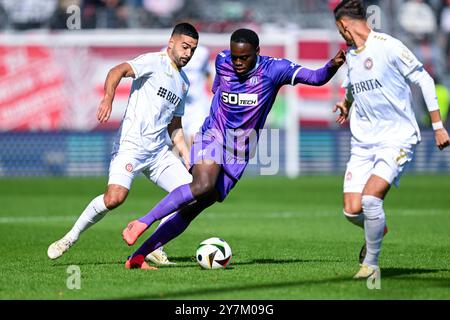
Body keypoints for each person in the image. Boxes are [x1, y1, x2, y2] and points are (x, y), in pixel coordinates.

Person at [120, 28, 346, 269]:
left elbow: (315, 77)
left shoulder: (275, 70)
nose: (238, 62)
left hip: (238, 152)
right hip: (212, 136)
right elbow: (216, 91)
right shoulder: (222, 61)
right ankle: (143, 222)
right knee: (202, 185)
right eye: (235, 57)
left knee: (197, 206)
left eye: (244, 57)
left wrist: (333, 64)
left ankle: (138, 256)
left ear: (257, 53)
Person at [47, 22, 199, 269]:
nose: (188, 54)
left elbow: (175, 125)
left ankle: (155, 247)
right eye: (184, 47)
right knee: (115, 198)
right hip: (132, 145)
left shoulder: (183, 83)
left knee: (190, 196)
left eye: (192, 50)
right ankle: (70, 238)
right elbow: (116, 70)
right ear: (171, 42)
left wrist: (185, 154)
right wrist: (107, 99)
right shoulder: (153, 62)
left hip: (159, 152)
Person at [332, 0, 450, 279]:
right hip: (362, 144)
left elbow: (425, 80)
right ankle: (377, 227)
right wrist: (347, 104)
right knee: (351, 211)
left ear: (344, 25)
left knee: (371, 200)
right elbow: (352, 87)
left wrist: (438, 126)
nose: (340, 35)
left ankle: (370, 264)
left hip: (395, 139)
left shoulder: (388, 45)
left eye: (339, 29)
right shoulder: (351, 56)